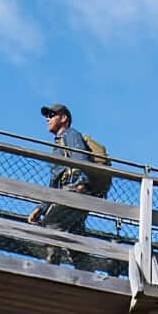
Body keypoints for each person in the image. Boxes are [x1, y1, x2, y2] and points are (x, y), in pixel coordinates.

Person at [33, 101, 99, 269]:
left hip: (75, 191)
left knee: (51, 224)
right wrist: (41, 207)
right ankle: (88, 275)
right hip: (67, 191)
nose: (47, 119)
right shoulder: (58, 144)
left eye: (51, 115)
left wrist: (81, 184)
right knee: (75, 236)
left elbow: (82, 159)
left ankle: (50, 270)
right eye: (47, 116)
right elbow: (54, 181)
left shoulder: (70, 135)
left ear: (63, 118)